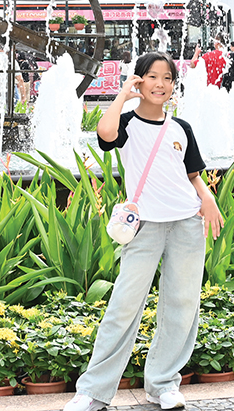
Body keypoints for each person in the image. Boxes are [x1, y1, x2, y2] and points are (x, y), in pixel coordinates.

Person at [66, 52, 223, 411]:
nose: (160, 84)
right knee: (123, 305)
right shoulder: (127, 123)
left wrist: (207, 199)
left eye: (167, 78)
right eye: (152, 77)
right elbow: (104, 134)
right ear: (140, 80)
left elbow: (193, 174)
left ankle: (163, 384)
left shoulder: (181, 128)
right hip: (144, 226)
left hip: (186, 222)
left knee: (182, 304)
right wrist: (123, 94)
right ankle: (93, 391)